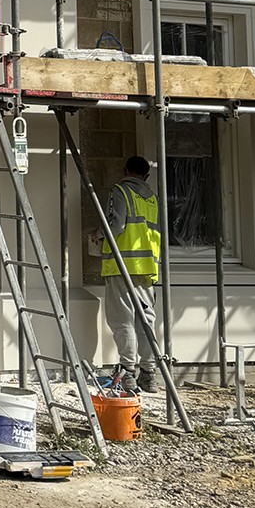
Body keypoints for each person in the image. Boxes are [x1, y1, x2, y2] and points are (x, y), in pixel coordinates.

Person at [102, 154, 162, 394]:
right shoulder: (153, 198)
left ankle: (127, 373)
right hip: (147, 268)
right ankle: (150, 375)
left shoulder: (120, 191)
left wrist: (97, 234)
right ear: (146, 175)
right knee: (145, 322)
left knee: (122, 321)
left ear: (125, 169)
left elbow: (115, 225)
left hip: (122, 266)